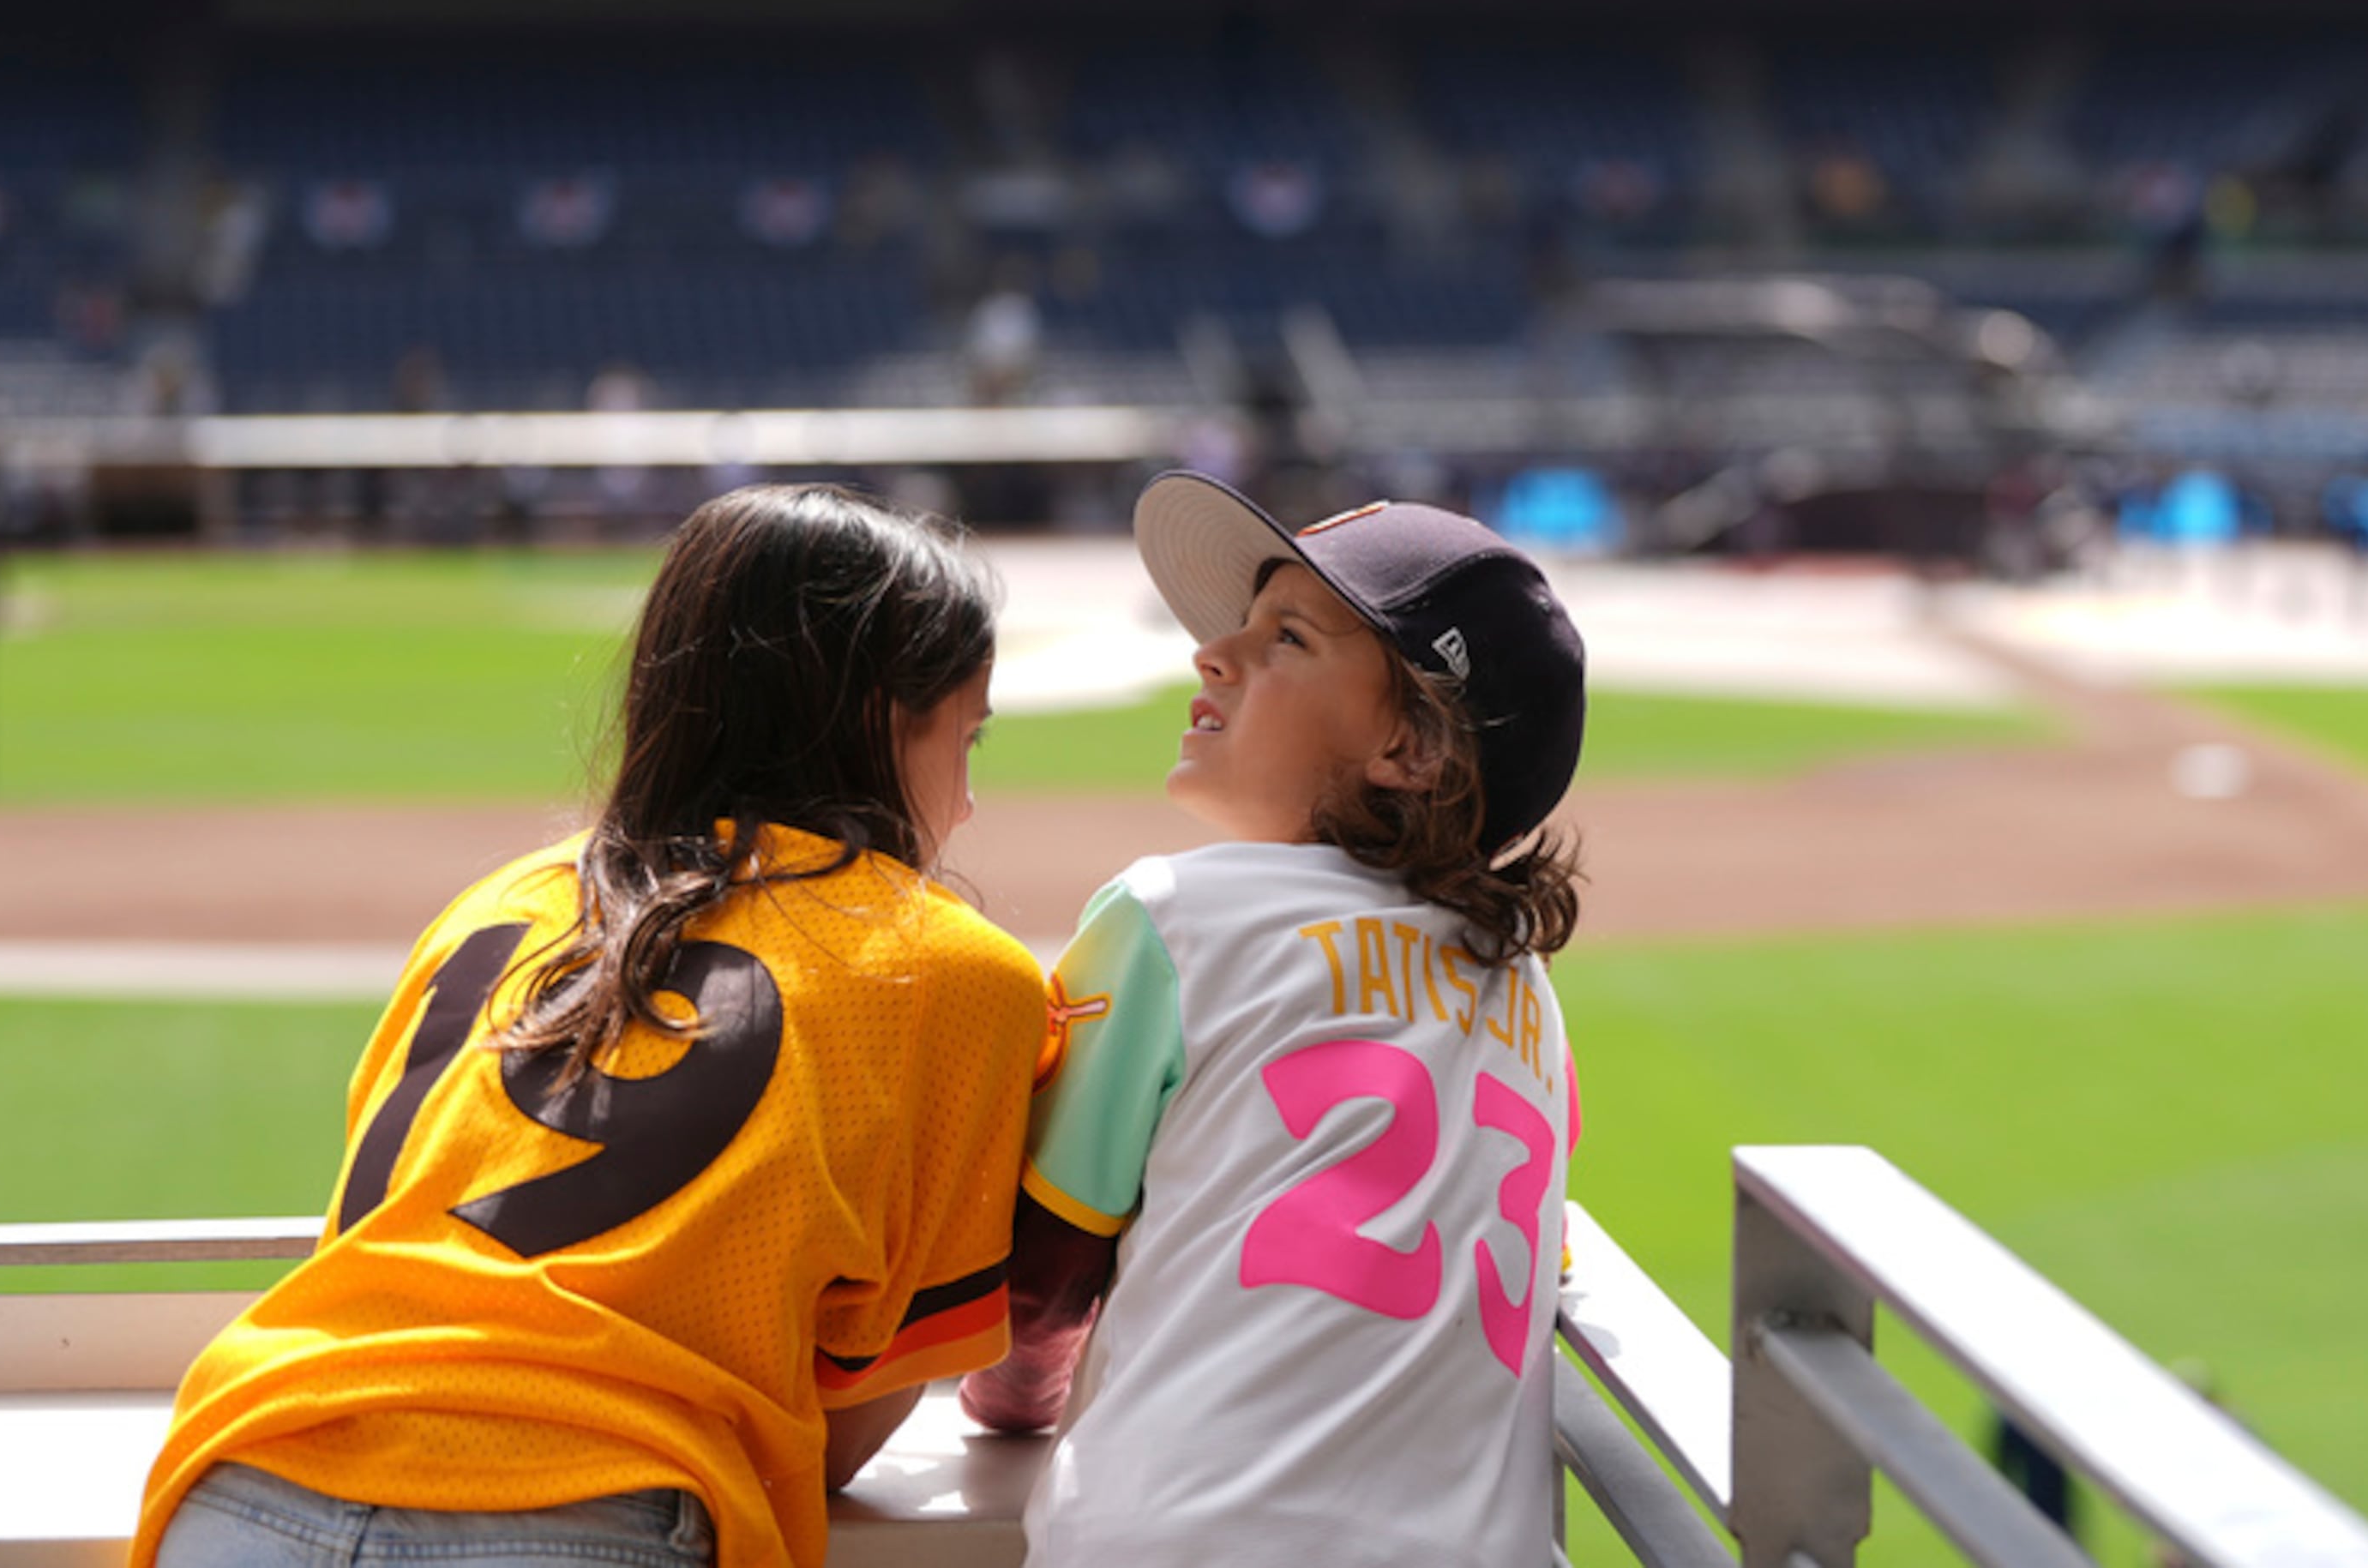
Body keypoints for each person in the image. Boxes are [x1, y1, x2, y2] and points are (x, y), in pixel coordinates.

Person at [134, 484, 1049, 1568]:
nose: (970, 802)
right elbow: (849, 1423)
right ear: (876, 719)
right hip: (591, 1506)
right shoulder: (960, 969)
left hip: (247, 1466)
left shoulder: (495, 901)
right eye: (969, 737)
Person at [957, 471, 1588, 1568]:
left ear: (1416, 748)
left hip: (1182, 1533)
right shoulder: (1526, 988)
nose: (1214, 654)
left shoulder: (1175, 914)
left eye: (1286, 637)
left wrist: (1009, 1395)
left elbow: (1041, 1287)